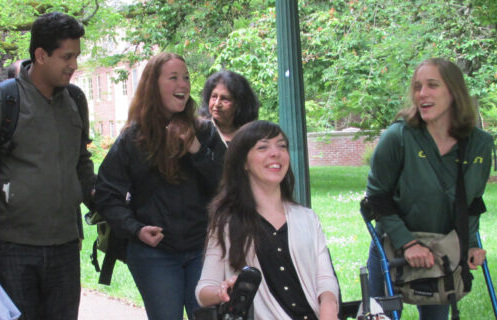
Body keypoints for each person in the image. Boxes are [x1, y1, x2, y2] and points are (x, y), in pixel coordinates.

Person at [0, 11, 95, 320]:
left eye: (76, 56)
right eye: (67, 56)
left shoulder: (75, 100)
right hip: (13, 249)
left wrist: (103, 202)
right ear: (41, 55)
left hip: (64, 246)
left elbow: (81, 162)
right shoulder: (1, 102)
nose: (74, 65)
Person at [95, 52, 226, 320]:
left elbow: (227, 185)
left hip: (203, 248)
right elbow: (107, 193)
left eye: (186, 77)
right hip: (154, 254)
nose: (183, 84)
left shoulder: (204, 132)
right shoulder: (133, 138)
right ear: (153, 85)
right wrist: (136, 229)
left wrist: (196, 150)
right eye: (173, 78)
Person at [364, 58, 493, 320]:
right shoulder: (398, 137)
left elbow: (472, 203)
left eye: (432, 85)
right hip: (393, 248)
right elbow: (377, 198)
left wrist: (469, 244)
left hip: (440, 252)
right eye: (417, 87)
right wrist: (408, 244)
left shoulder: (479, 144)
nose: (422, 94)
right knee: (380, 317)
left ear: (454, 92)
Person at [196, 120, 340, 320]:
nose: (276, 153)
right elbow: (203, 291)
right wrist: (225, 292)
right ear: (243, 162)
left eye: (281, 146)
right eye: (263, 147)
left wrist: (329, 305)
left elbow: (325, 280)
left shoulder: (307, 218)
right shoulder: (226, 222)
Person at [197, 70, 260, 144]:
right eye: (214, 97)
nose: (217, 104)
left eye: (224, 99)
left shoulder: (250, 135)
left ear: (238, 103)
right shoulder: (199, 130)